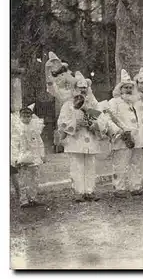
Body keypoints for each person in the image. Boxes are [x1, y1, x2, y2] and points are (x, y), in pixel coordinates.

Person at [57, 72, 102, 202]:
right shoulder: (68, 105)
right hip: (75, 138)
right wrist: (75, 124)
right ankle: (78, 191)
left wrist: (91, 123)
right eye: (80, 87)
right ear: (75, 88)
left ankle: (89, 191)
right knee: (77, 166)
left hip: (89, 136)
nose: (82, 89)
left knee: (90, 165)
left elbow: (99, 117)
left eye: (85, 87)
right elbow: (62, 121)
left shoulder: (93, 103)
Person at [108, 69, 143, 197]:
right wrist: (120, 131)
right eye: (126, 87)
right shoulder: (113, 102)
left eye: (131, 87)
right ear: (120, 89)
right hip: (121, 137)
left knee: (136, 163)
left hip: (136, 138)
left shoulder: (136, 102)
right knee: (120, 164)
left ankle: (135, 186)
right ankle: (119, 188)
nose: (129, 89)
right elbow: (108, 119)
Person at [11, 104, 46, 208]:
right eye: (24, 116)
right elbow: (14, 145)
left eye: (28, 116)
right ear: (20, 117)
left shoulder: (35, 129)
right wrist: (15, 158)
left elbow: (40, 143)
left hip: (34, 157)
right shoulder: (17, 130)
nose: (26, 119)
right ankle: (24, 200)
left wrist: (42, 155)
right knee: (23, 180)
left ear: (31, 117)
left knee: (34, 179)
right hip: (23, 158)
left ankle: (33, 198)